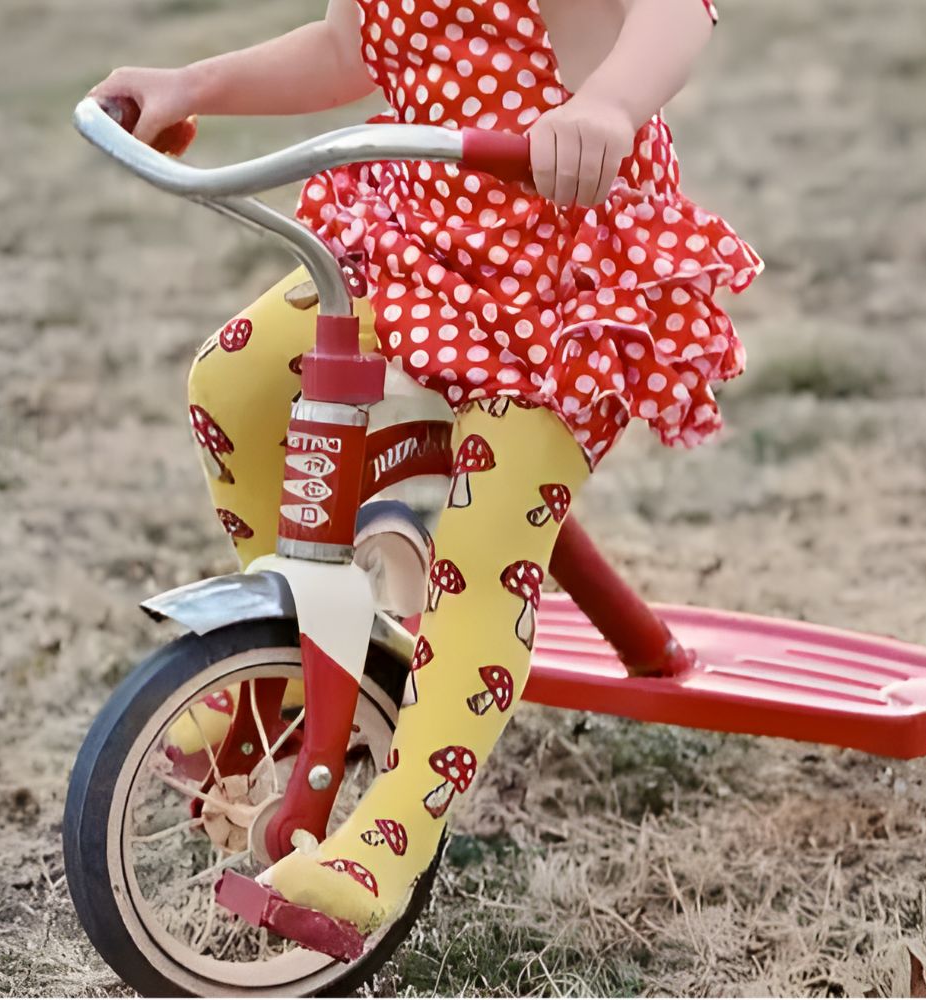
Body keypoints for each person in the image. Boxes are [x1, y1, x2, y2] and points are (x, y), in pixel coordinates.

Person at [91, 0, 761, 940]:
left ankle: (392, 837)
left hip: (559, 281)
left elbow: (674, 12)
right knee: (236, 383)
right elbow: (344, 48)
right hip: (416, 239)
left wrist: (607, 103)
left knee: (485, 552)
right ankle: (290, 657)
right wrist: (191, 86)